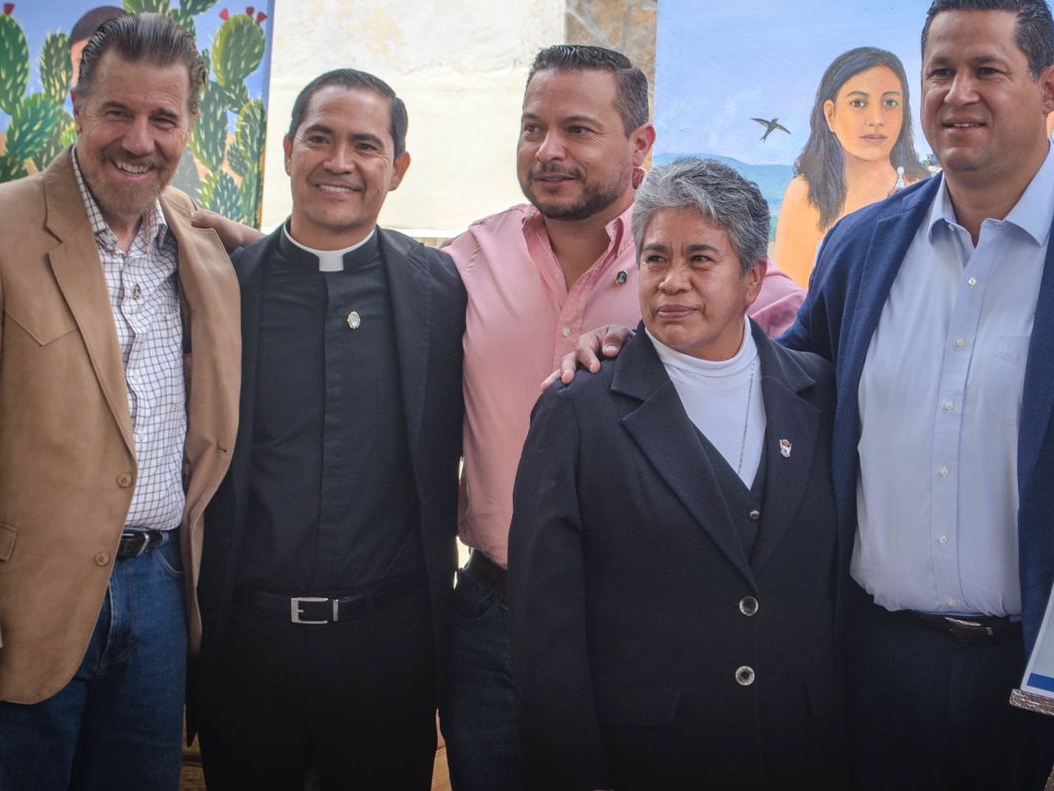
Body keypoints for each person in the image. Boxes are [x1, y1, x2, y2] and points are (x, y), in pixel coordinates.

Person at [561, 0, 1054, 789]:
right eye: (939, 72)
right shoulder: (862, 245)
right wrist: (636, 352)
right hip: (876, 673)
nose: (957, 94)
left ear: (1050, 89)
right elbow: (775, 380)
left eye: (986, 70)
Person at [190, 45, 805, 787]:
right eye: (533, 127)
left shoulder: (682, 265)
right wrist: (246, 257)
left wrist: (645, 342)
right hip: (489, 621)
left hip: (641, 623)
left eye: (577, 129)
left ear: (640, 144)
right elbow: (343, 268)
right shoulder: (465, 264)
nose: (549, 150)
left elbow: (801, 356)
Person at [0, 12, 240, 790]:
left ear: (189, 127)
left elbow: (291, 265)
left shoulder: (197, 238)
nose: (138, 140)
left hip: (158, 601)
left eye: (162, 119)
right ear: (77, 108)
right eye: (116, 112)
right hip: (13, 612)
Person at [511, 158, 846, 791]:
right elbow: (545, 635)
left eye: (700, 259)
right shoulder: (577, 411)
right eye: (656, 258)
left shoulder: (820, 395)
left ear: (752, 279)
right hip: (647, 758)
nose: (672, 281)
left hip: (801, 753)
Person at [190, 69, 465, 789]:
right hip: (247, 653)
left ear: (397, 168)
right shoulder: (224, 289)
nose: (339, 162)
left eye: (365, 146)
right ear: (287, 151)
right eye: (320, 139)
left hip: (389, 657)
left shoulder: (440, 290)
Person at [773, 47, 930, 287]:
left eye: (890, 103)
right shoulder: (807, 193)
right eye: (858, 103)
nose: (876, 119)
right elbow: (792, 298)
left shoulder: (923, 190)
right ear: (830, 114)